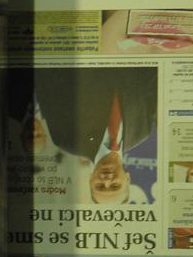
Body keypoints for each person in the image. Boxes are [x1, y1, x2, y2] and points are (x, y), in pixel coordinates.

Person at [9, 67, 157, 205]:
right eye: (115, 186)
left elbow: (49, 84)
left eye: (100, 186)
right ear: (127, 178)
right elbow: (150, 81)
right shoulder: (142, 132)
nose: (107, 180)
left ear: (91, 179)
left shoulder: (67, 140)